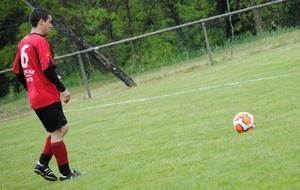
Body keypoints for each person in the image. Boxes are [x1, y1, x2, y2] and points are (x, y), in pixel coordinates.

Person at [12, 8, 82, 181]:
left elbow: (18, 71)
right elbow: (48, 67)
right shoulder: (39, 41)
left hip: (36, 96)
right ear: (41, 21)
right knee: (58, 133)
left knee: (60, 129)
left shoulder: (24, 42)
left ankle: (42, 164)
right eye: (50, 21)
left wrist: (31, 87)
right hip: (46, 95)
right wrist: (62, 89)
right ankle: (66, 174)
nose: (51, 25)